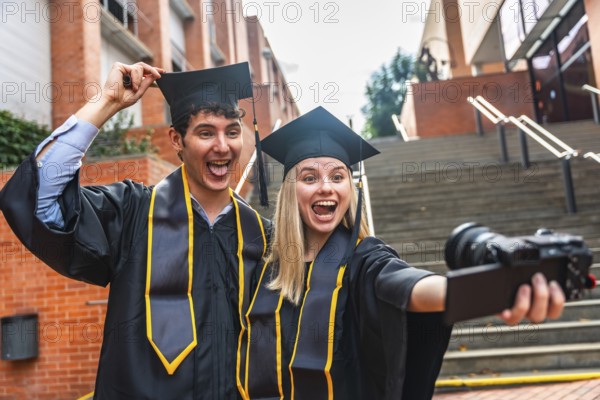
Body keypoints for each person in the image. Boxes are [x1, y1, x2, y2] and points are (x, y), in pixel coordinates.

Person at [236, 106, 566, 399]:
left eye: (338, 176)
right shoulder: (266, 267)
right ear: (292, 191)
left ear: (351, 190)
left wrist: (499, 288)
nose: (326, 186)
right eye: (310, 177)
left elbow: (411, 286)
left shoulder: (364, 260)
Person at [0, 62, 270, 399]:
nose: (223, 146)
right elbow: (40, 199)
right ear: (177, 139)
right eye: (205, 132)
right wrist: (107, 103)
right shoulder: (132, 213)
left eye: (231, 132)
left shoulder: (263, 236)